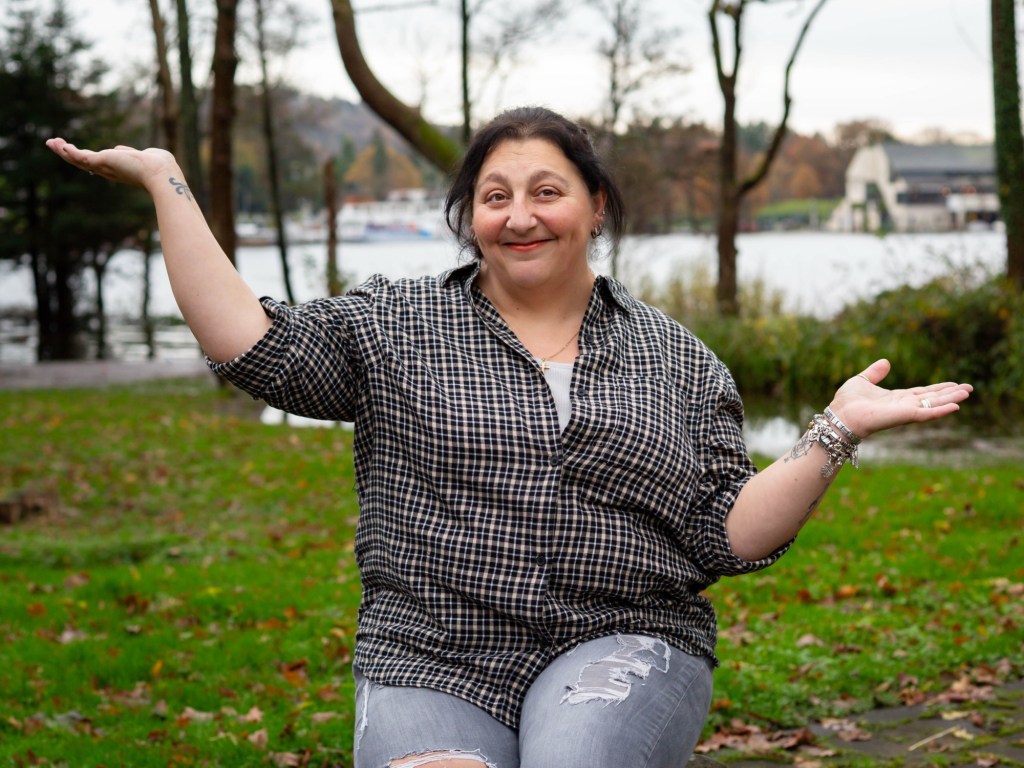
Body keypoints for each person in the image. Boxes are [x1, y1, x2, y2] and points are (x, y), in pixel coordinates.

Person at [47, 106, 972, 768]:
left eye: (545, 190)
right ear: (470, 217)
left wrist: (835, 431)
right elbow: (251, 346)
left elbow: (726, 533)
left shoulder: (680, 360)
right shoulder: (397, 325)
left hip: (624, 638)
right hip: (430, 647)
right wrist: (166, 178)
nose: (519, 214)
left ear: (596, 206)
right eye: (495, 195)